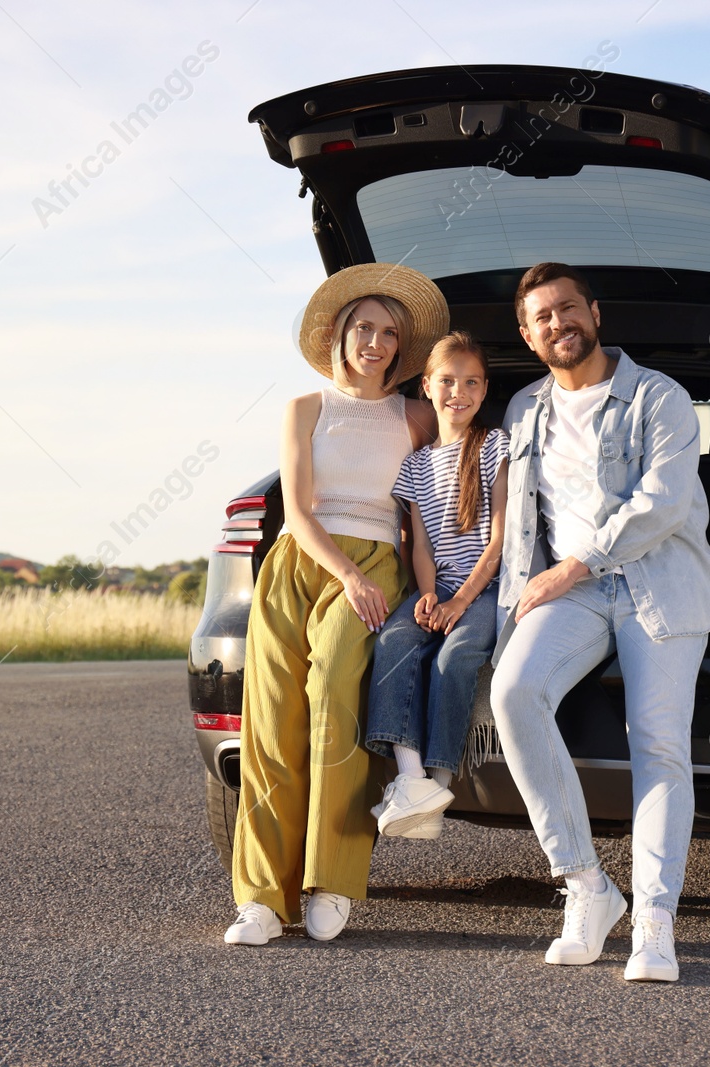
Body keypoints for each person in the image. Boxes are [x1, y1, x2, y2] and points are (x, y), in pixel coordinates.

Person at [489, 262, 710, 982]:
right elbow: (519, 530)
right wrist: (514, 605)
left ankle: (656, 920)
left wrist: (572, 566)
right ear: (527, 334)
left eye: (567, 308)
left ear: (594, 313)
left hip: (659, 580)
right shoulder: (524, 409)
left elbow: (662, 503)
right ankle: (587, 886)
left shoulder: (658, 397)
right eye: (541, 316)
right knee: (514, 693)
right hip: (571, 592)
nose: (557, 323)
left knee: (657, 740)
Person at [223, 263, 449, 947]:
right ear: (337, 336)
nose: (375, 342)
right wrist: (344, 572)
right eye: (363, 329)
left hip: (377, 570)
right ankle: (261, 899)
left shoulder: (416, 416)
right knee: (271, 726)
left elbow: (433, 512)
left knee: (335, 705)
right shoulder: (303, 409)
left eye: (388, 333)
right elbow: (295, 509)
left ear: (402, 348)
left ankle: (331, 881)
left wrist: (430, 586)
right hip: (303, 564)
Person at [364, 331, 508, 839]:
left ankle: (438, 783)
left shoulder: (495, 447)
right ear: (426, 386)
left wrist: (459, 602)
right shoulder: (416, 465)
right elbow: (419, 545)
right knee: (397, 640)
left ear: (485, 389)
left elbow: (499, 543)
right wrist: (427, 595)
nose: (458, 392)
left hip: (485, 589)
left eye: (471, 382)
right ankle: (410, 779)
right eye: (447, 381)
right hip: (439, 587)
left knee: (457, 654)